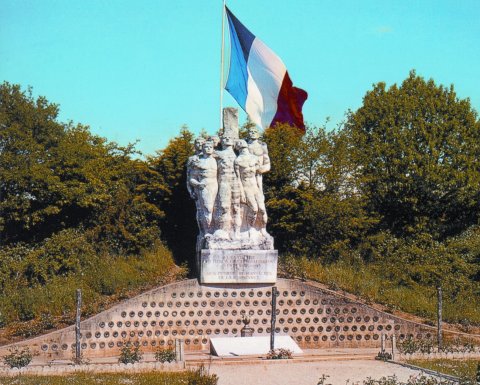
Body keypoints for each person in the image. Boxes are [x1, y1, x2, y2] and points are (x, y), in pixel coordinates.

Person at [235, 140, 267, 233]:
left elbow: (258, 175)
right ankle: (250, 228)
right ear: (238, 148)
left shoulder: (254, 158)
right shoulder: (238, 161)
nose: (243, 149)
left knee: (262, 209)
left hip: (255, 187)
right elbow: (238, 178)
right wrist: (241, 193)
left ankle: (262, 229)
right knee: (254, 209)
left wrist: (261, 190)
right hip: (246, 187)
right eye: (241, 147)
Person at [188, 141, 218, 235]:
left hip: (216, 184)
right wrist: (198, 184)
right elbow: (191, 178)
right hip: (204, 185)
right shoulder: (198, 162)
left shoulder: (216, 160)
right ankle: (208, 232)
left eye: (210, 146)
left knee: (217, 209)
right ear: (203, 148)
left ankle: (216, 231)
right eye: (206, 146)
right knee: (207, 208)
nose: (208, 148)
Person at [214, 135, 241, 239]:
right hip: (224, 181)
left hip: (236, 182)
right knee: (224, 207)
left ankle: (236, 232)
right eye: (225, 138)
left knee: (236, 207)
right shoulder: (217, 154)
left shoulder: (238, 154)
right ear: (221, 141)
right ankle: (224, 231)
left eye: (230, 137)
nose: (227, 139)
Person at [246, 126, 271, 194]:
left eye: (255, 132)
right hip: (247, 173)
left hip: (258, 174)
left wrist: (262, 169)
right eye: (251, 132)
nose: (253, 133)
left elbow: (267, 162)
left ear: (258, 134)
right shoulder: (245, 146)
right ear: (248, 134)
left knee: (259, 192)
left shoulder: (262, 146)